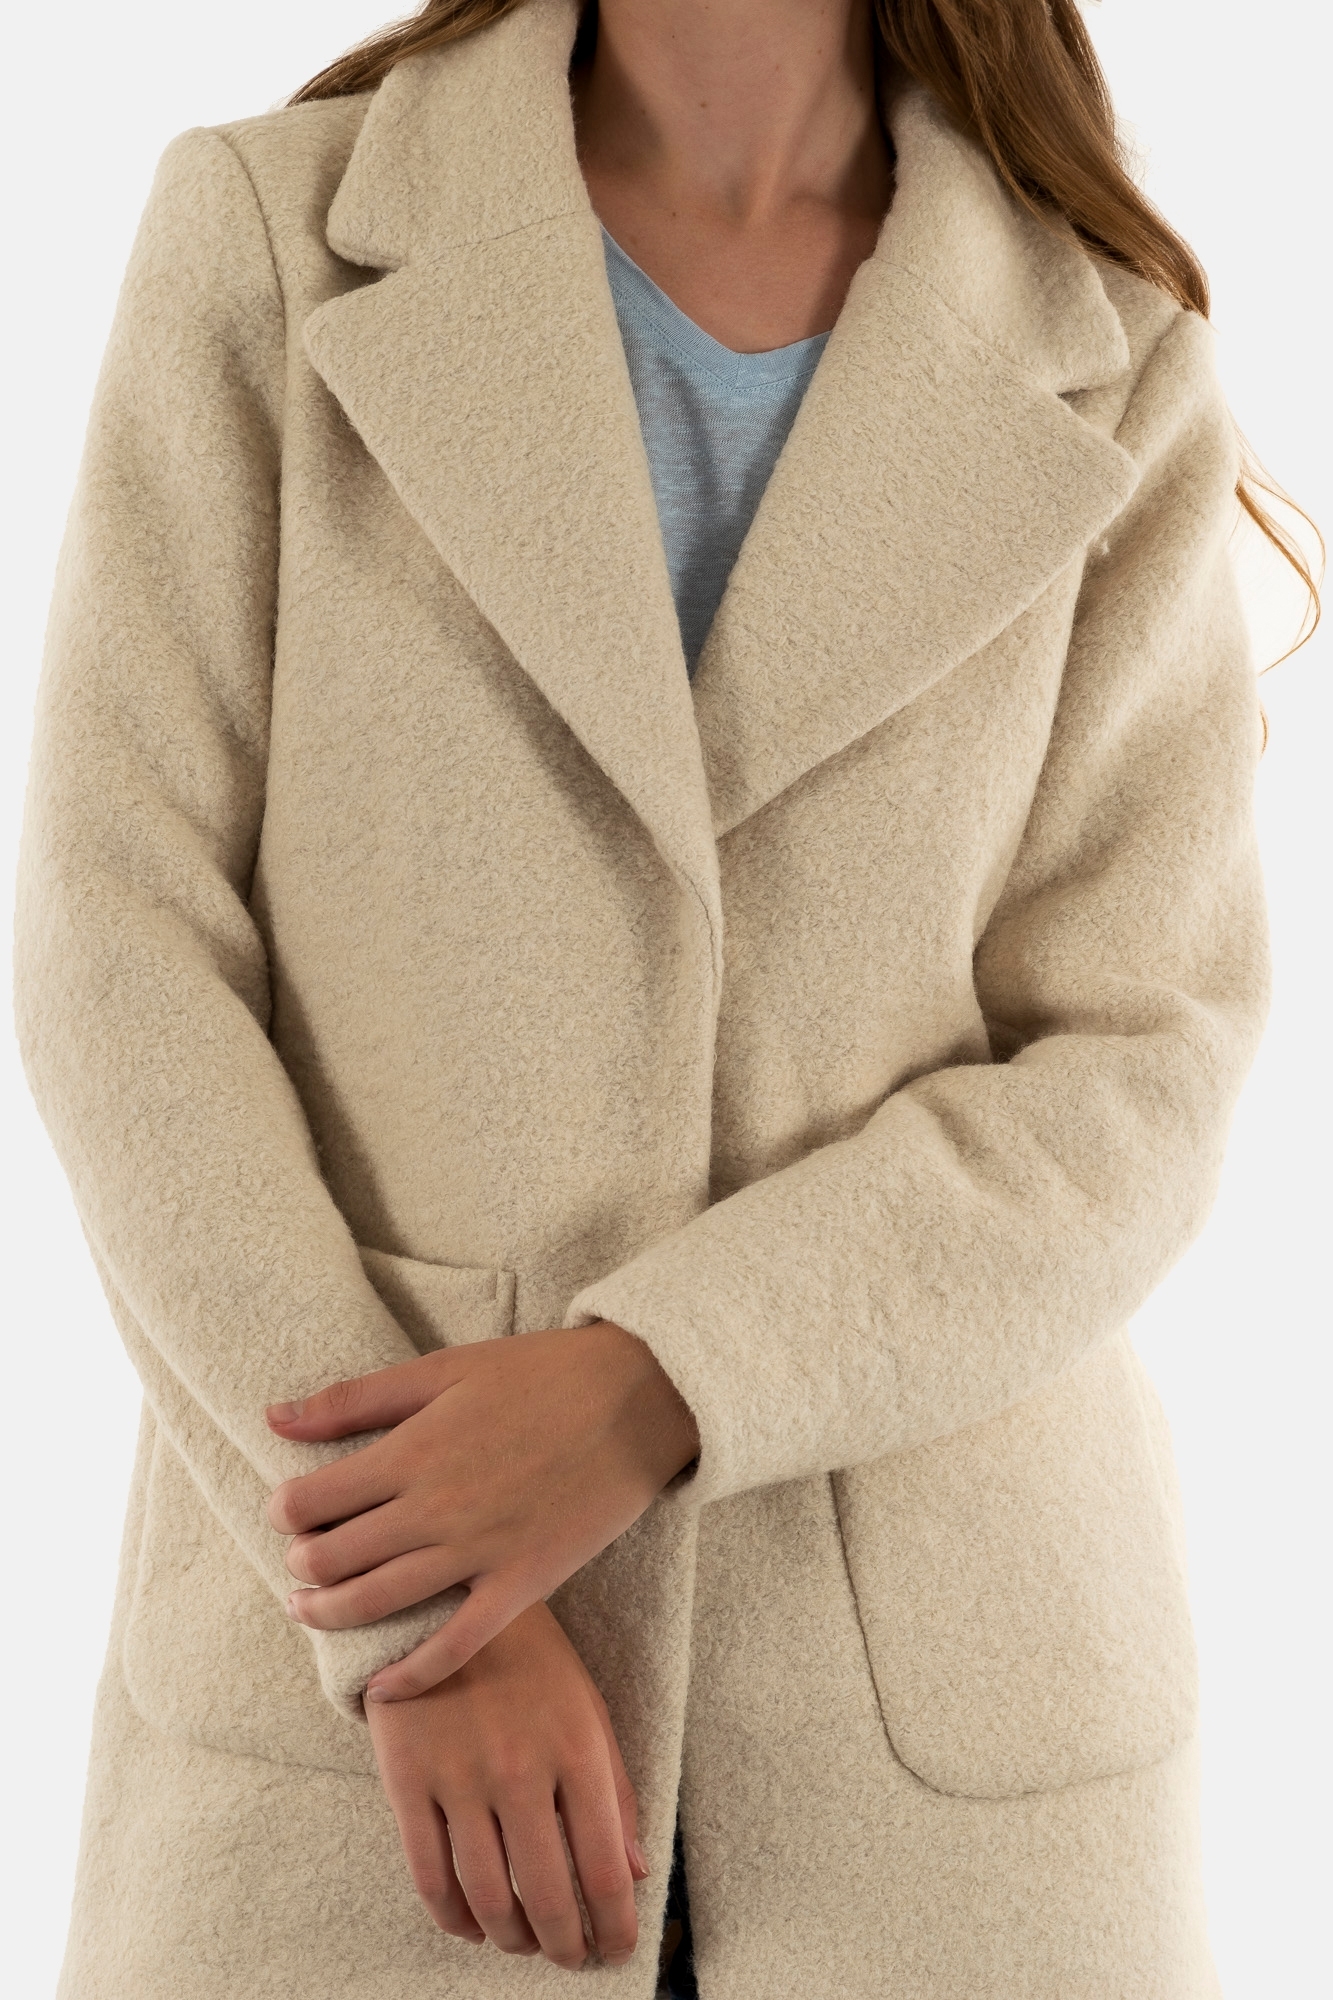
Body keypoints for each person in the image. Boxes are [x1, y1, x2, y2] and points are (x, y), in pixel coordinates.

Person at [14, 0, 1303, 1994]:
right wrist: (411, 1606)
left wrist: (654, 1384)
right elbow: (123, 953)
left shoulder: (1109, 347)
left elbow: (1139, 1062)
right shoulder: (271, 239)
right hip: (346, 1770)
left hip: (948, 1779)